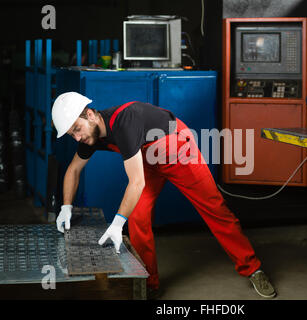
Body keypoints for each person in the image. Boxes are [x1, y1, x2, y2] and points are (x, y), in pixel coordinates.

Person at [52, 91, 276, 299]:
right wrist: (66, 207)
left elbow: (136, 182)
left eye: (76, 129)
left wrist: (118, 222)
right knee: (138, 216)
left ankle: (252, 268)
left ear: (90, 115)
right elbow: (73, 169)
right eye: (72, 133)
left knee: (215, 210)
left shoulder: (124, 122)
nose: (77, 138)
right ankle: (148, 283)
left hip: (180, 152)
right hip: (148, 162)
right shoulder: (91, 136)